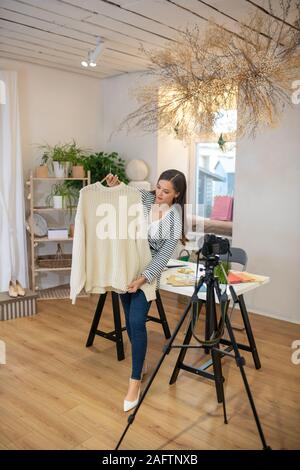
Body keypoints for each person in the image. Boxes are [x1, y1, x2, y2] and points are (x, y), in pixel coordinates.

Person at [105, 169, 187, 412]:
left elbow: (163, 255)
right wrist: (114, 184)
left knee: (137, 321)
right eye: (159, 187)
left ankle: (134, 382)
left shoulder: (174, 220)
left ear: (177, 194)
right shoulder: (145, 198)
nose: (160, 193)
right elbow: (123, 194)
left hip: (147, 273)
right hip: (125, 266)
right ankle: (140, 365)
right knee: (129, 321)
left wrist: (143, 279)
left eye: (166, 191)